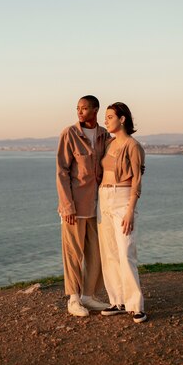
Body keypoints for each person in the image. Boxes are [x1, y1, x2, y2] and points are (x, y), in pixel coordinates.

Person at [56, 95, 111, 317]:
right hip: (75, 207)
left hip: (98, 206)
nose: (80, 111)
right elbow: (62, 171)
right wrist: (67, 205)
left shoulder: (104, 135)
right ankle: (74, 298)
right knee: (72, 253)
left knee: (96, 252)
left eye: (84, 108)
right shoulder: (69, 134)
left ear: (95, 109)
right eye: (78, 108)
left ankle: (89, 295)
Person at [97, 102, 147, 323]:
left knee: (126, 253)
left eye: (109, 117)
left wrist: (130, 211)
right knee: (109, 254)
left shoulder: (133, 146)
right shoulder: (108, 144)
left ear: (122, 119)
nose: (105, 121)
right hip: (104, 199)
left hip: (123, 198)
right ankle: (117, 301)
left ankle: (136, 305)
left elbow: (137, 180)